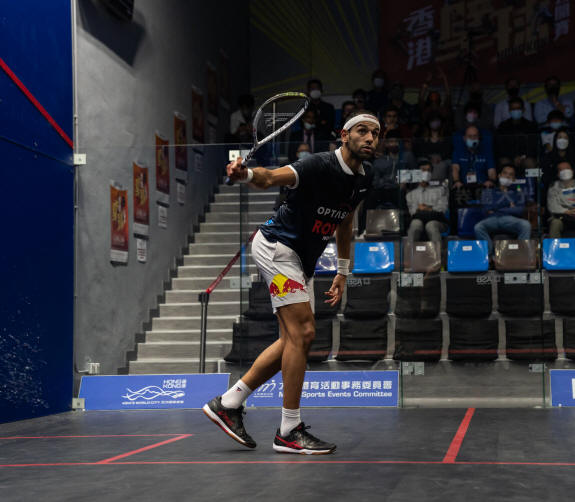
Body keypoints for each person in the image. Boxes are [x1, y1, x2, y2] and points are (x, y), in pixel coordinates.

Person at [203, 111, 380, 455]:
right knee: (304, 332)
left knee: (291, 340)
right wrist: (246, 174)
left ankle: (228, 403)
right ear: (344, 135)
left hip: (301, 260)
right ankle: (288, 430)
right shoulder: (317, 165)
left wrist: (342, 270)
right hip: (277, 248)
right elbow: (269, 177)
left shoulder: (364, 178)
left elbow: (345, 222)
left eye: (376, 133)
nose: (370, 138)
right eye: (362, 130)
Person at [474, 164, 531, 255]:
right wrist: (508, 205)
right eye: (505, 173)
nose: (507, 176)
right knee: (478, 227)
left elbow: (519, 210)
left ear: (514, 179)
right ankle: (490, 255)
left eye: (511, 175)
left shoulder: (518, 193)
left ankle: (520, 255)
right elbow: (486, 209)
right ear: (499, 175)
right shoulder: (488, 192)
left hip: (509, 220)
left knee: (526, 225)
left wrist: (496, 209)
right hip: (492, 220)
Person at [406, 160, 449, 242]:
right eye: (423, 170)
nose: (426, 173)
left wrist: (426, 208)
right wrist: (431, 208)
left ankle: (437, 250)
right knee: (415, 224)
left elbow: (442, 209)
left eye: (428, 170)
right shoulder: (410, 194)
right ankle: (411, 249)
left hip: (438, 221)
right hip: (418, 220)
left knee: (431, 225)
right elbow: (413, 212)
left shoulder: (440, 190)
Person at [495, 96, 538, 173]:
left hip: (525, 157)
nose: (515, 111)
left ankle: (532, 181)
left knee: (530, 163)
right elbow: (500, 147)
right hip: (509, 157)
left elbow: (534, 146)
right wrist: (513, 157)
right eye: (513, 109)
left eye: (518, 108)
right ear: (509, 110)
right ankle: (505, 180)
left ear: (523, 110)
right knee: (503, 161)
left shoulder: (531, 126)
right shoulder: (503, 126)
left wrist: (522, 157)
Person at [413, 111, 452, 181]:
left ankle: (439, 185)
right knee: (425, 164)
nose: (435, 123)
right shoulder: (422, 138)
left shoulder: (446, 137)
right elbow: (419, 152)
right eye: (433, 121)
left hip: (441, 161)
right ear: (429, 123)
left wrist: (440, 158)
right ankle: (423, 184)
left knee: (442, 165)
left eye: (437, 121)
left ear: (441, 122)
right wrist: (429, 158)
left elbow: (449, 151)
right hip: (426, 160)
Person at [547, 161, 575, 238]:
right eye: (561, 170)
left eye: (567, 168)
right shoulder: (553, 187)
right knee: (555, 223)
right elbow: (552, 206)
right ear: (558, 174)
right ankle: (555, 246)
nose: (565, 171)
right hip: (561, 217)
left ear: (572, 171)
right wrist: (566, 211)